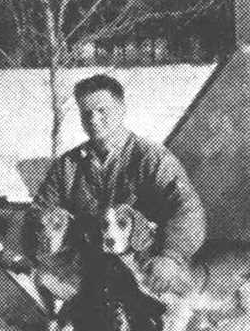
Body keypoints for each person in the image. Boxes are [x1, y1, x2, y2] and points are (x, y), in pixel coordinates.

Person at [33, 73, 206, 295]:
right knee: (46, 280)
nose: (93, 120)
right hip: (90, 268)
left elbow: (187, 209)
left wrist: (171, 256)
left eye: (102, 111)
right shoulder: (68, 165)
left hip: (144, 269)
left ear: (122, 109)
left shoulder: (152, 158)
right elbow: (39, 212)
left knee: (173, 295)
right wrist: (47, 229)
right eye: (86, 113)